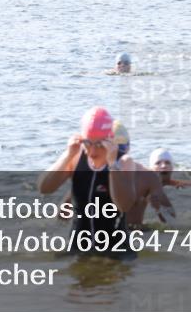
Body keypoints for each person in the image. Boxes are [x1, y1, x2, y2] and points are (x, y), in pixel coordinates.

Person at [37, 107, 137, 258]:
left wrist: (112, 164)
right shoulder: (76, 157)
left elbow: (125, 205)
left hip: (116, 253)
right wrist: (68, 155)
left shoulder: (123, 162)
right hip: (78, 248)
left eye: (100, 144)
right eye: (88, 143)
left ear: (110, 140)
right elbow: (44, 188)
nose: (93, 152)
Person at [113, 122, 175, 226]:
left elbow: (172, 219)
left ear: (128, 148)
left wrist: (158, 209)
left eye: (119, 148)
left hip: (134, 232)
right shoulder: (90, 175)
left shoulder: (147, 177)